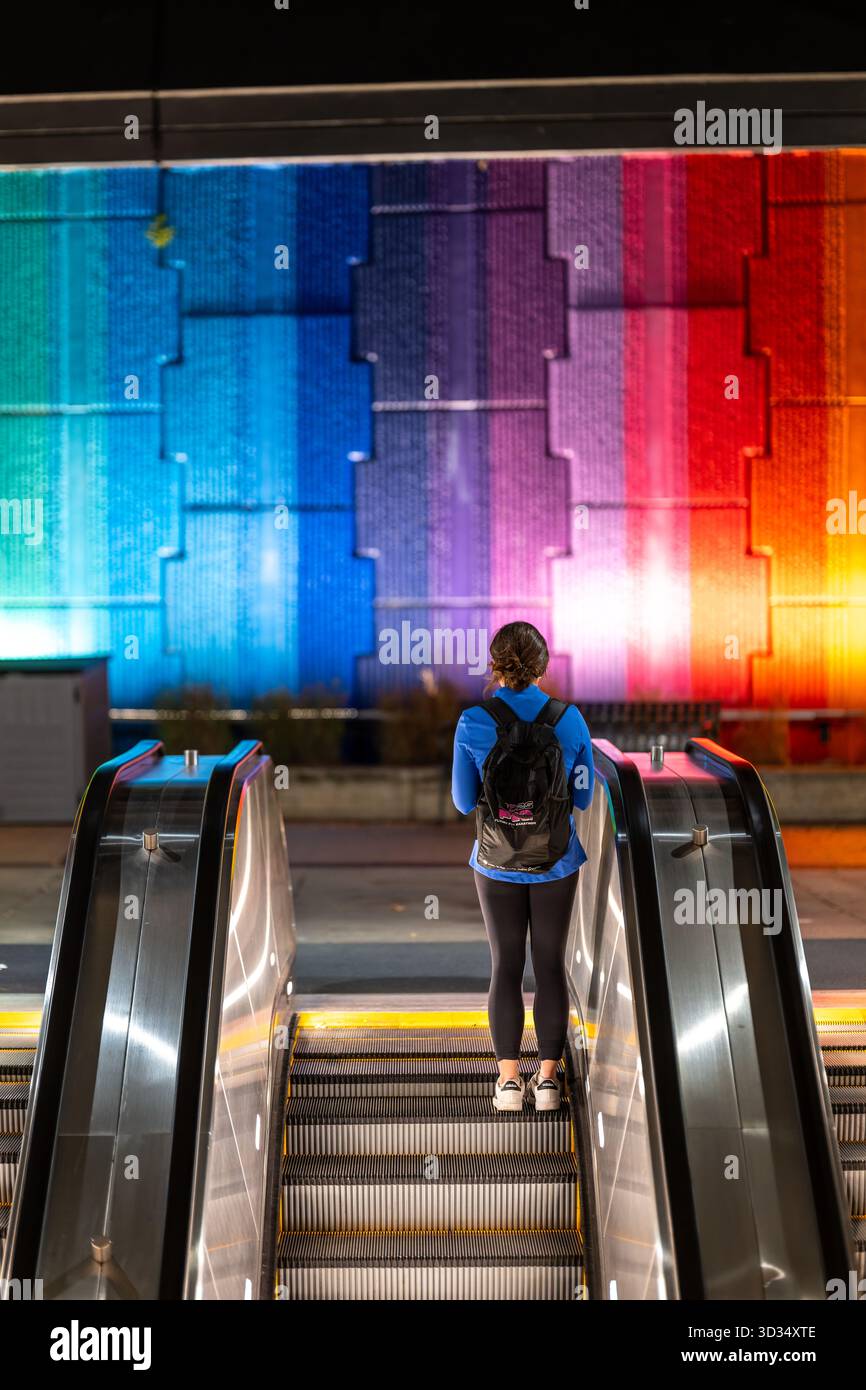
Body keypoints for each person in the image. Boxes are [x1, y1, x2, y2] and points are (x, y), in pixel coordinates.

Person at [451, 622, 594, 1111]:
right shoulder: (569, 719)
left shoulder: (473, 720)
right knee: (550, 964)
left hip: (495, 862)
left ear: (494, 666)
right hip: (556, 861)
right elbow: (584, 795)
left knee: (506, 965)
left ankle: (509, 1083)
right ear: (543, 665)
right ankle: (549, 1082)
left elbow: (462, 800)